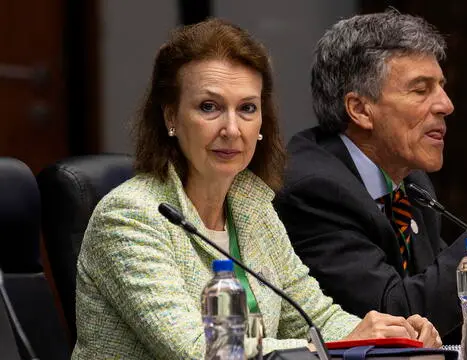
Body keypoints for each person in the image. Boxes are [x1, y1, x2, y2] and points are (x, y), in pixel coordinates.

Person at [71, 18, 442, 359]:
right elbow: (200, 349)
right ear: (170, 116)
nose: (232, 129)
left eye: (247, 108)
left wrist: (388, 334)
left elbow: (314, 314)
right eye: (209, 107)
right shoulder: (131, 216)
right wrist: (332, 344)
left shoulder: (253, 206)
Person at [273, 11, 467, 343]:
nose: (446, 105)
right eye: (420, 90)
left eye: (441, 87)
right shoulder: (312, 188)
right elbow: (397, 316)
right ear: (360, 109)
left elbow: (443, 299)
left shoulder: (410, 184)